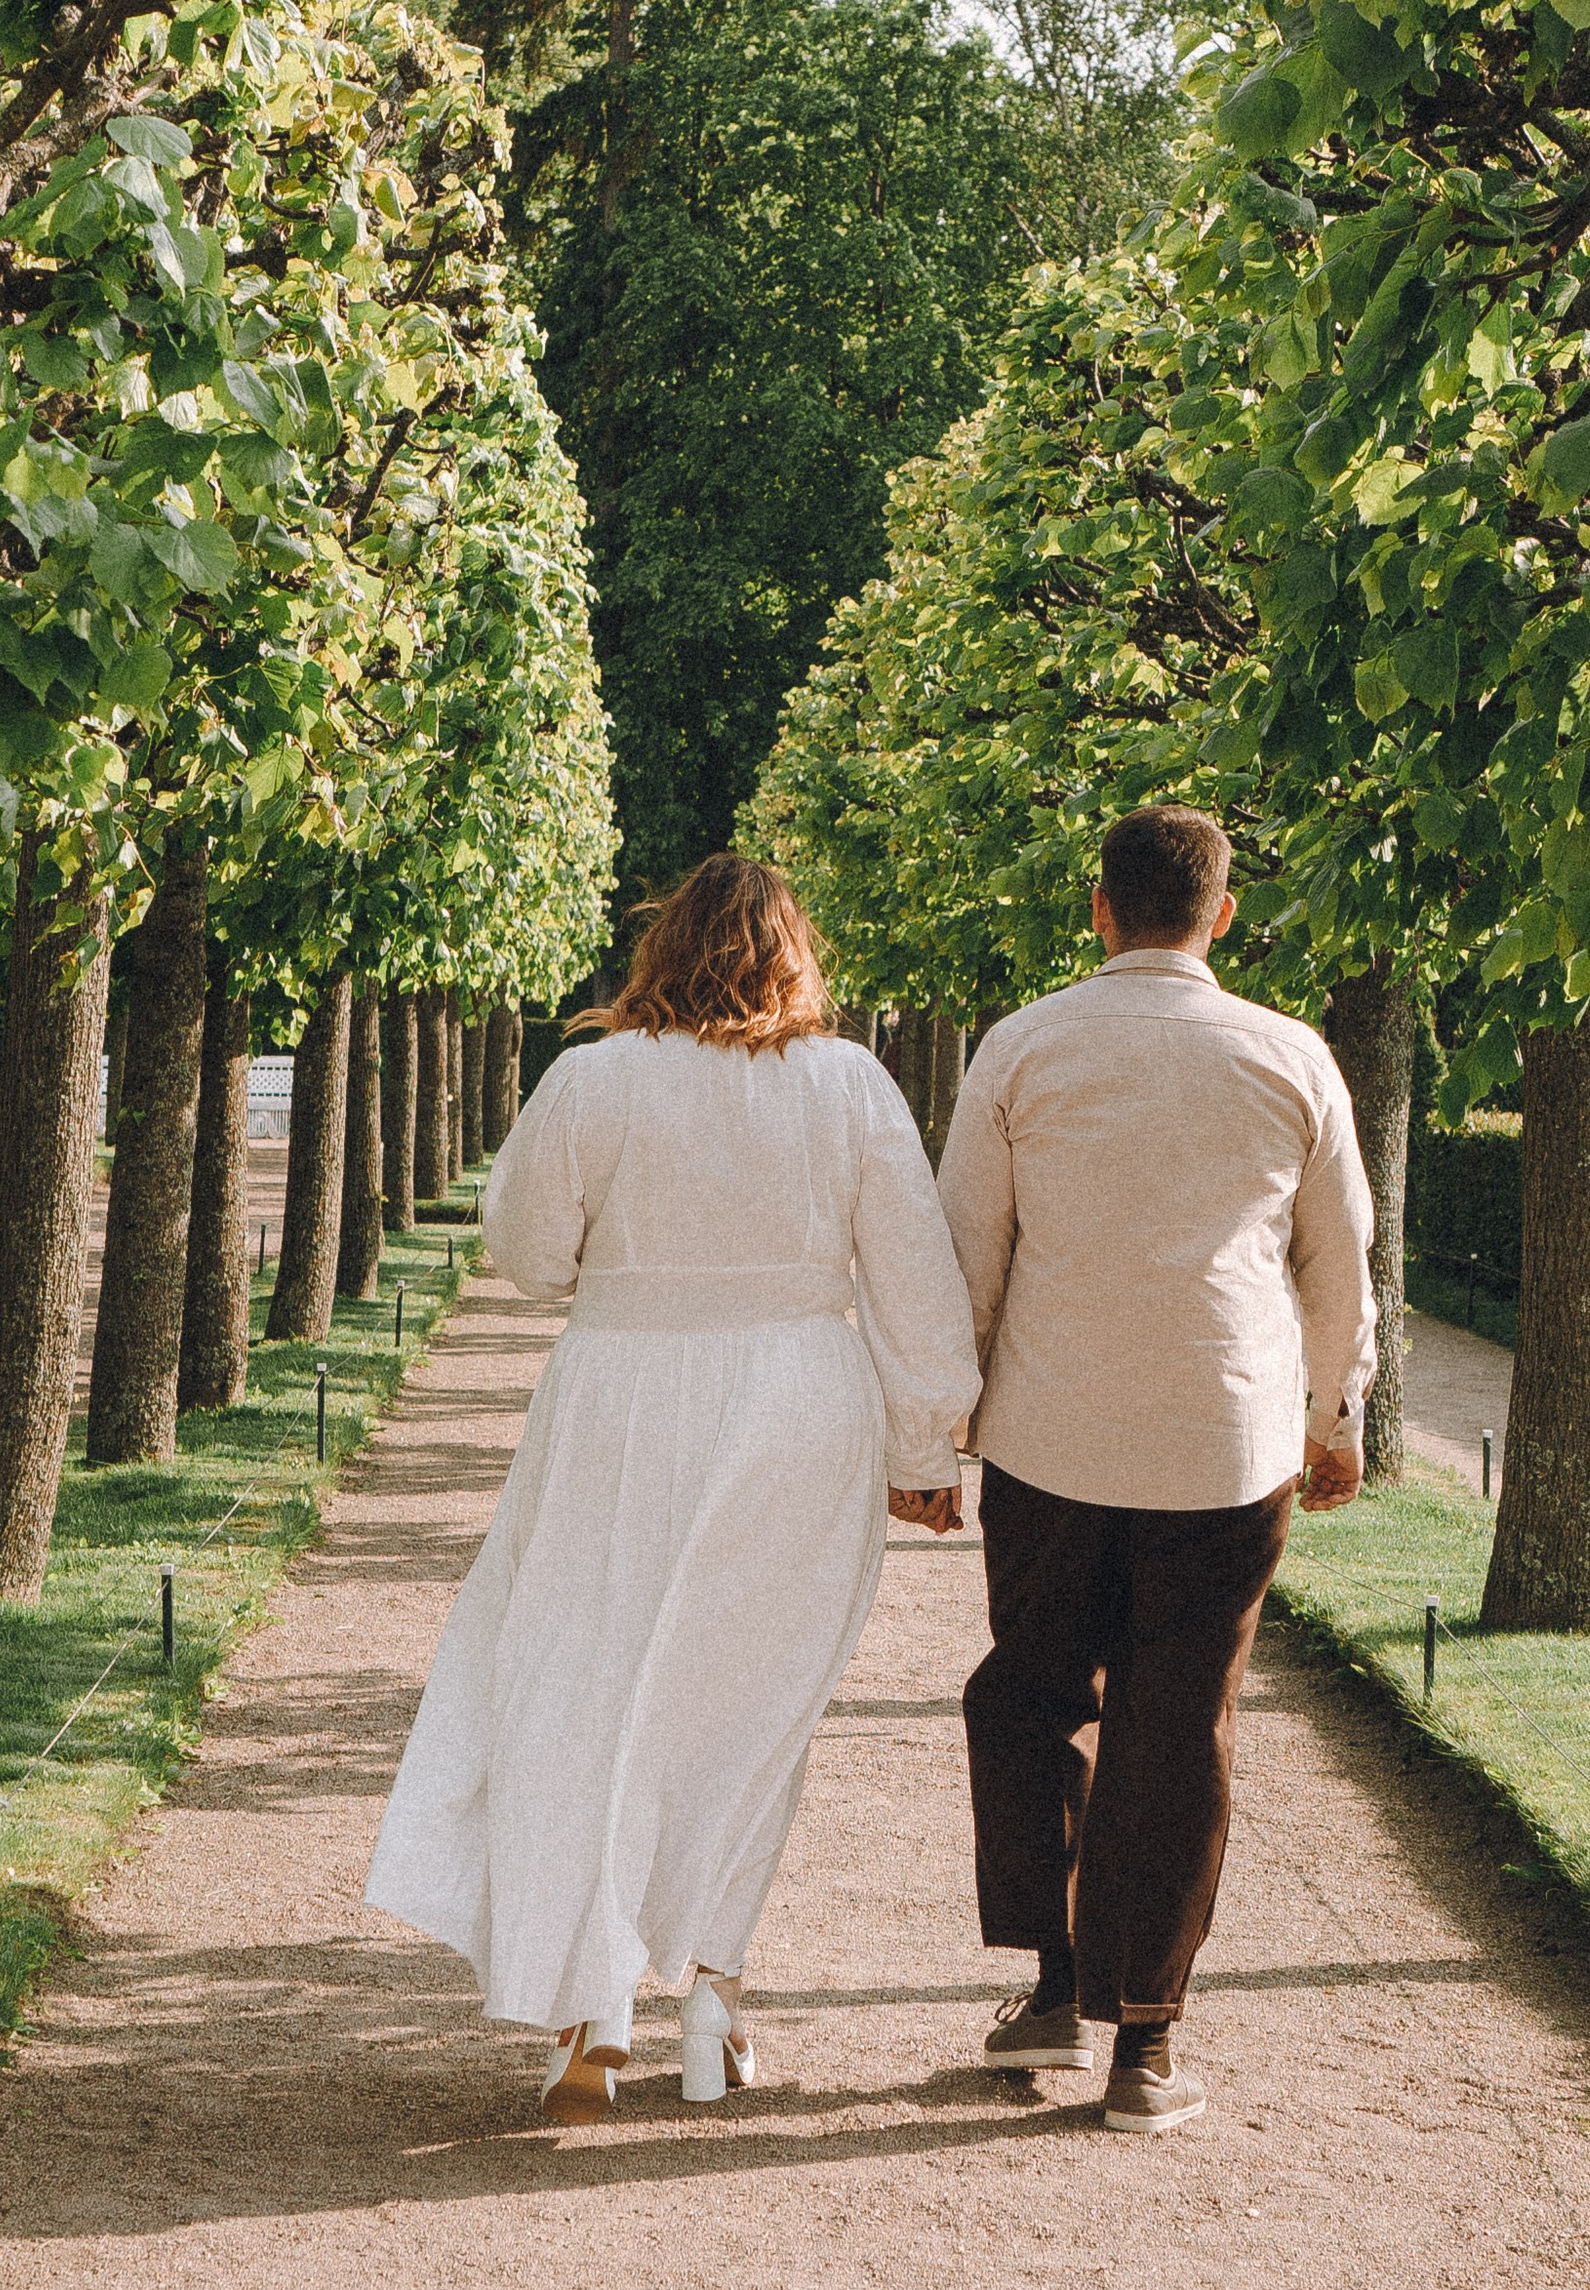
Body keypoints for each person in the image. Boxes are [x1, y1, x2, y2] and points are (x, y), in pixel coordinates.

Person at [365, 856, 978, 2120]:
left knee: (590, 1689)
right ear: (796, 957)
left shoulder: (592, 1079)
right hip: (802, 1405)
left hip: (622, 1403)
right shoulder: (850, 1085)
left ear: (661, 950)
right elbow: (917, 1282)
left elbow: (531, 1255)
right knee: (749, 1711)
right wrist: (924, 1454)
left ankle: (594, 2012)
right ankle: (713, 1988)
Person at [935, 807, 1376, 2135]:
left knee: (1030, 1695)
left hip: (1049, 1441)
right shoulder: (1290, 1057)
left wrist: (932, 1434)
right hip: (1225, 1443)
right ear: (1222, 915)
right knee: (1179, 1728)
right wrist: (1336, 1413)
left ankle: (1061, 1981)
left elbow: (968, 1251)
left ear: (1099, 908)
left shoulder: (1022, 1046)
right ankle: (1149, 2044)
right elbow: (1338, 1257)